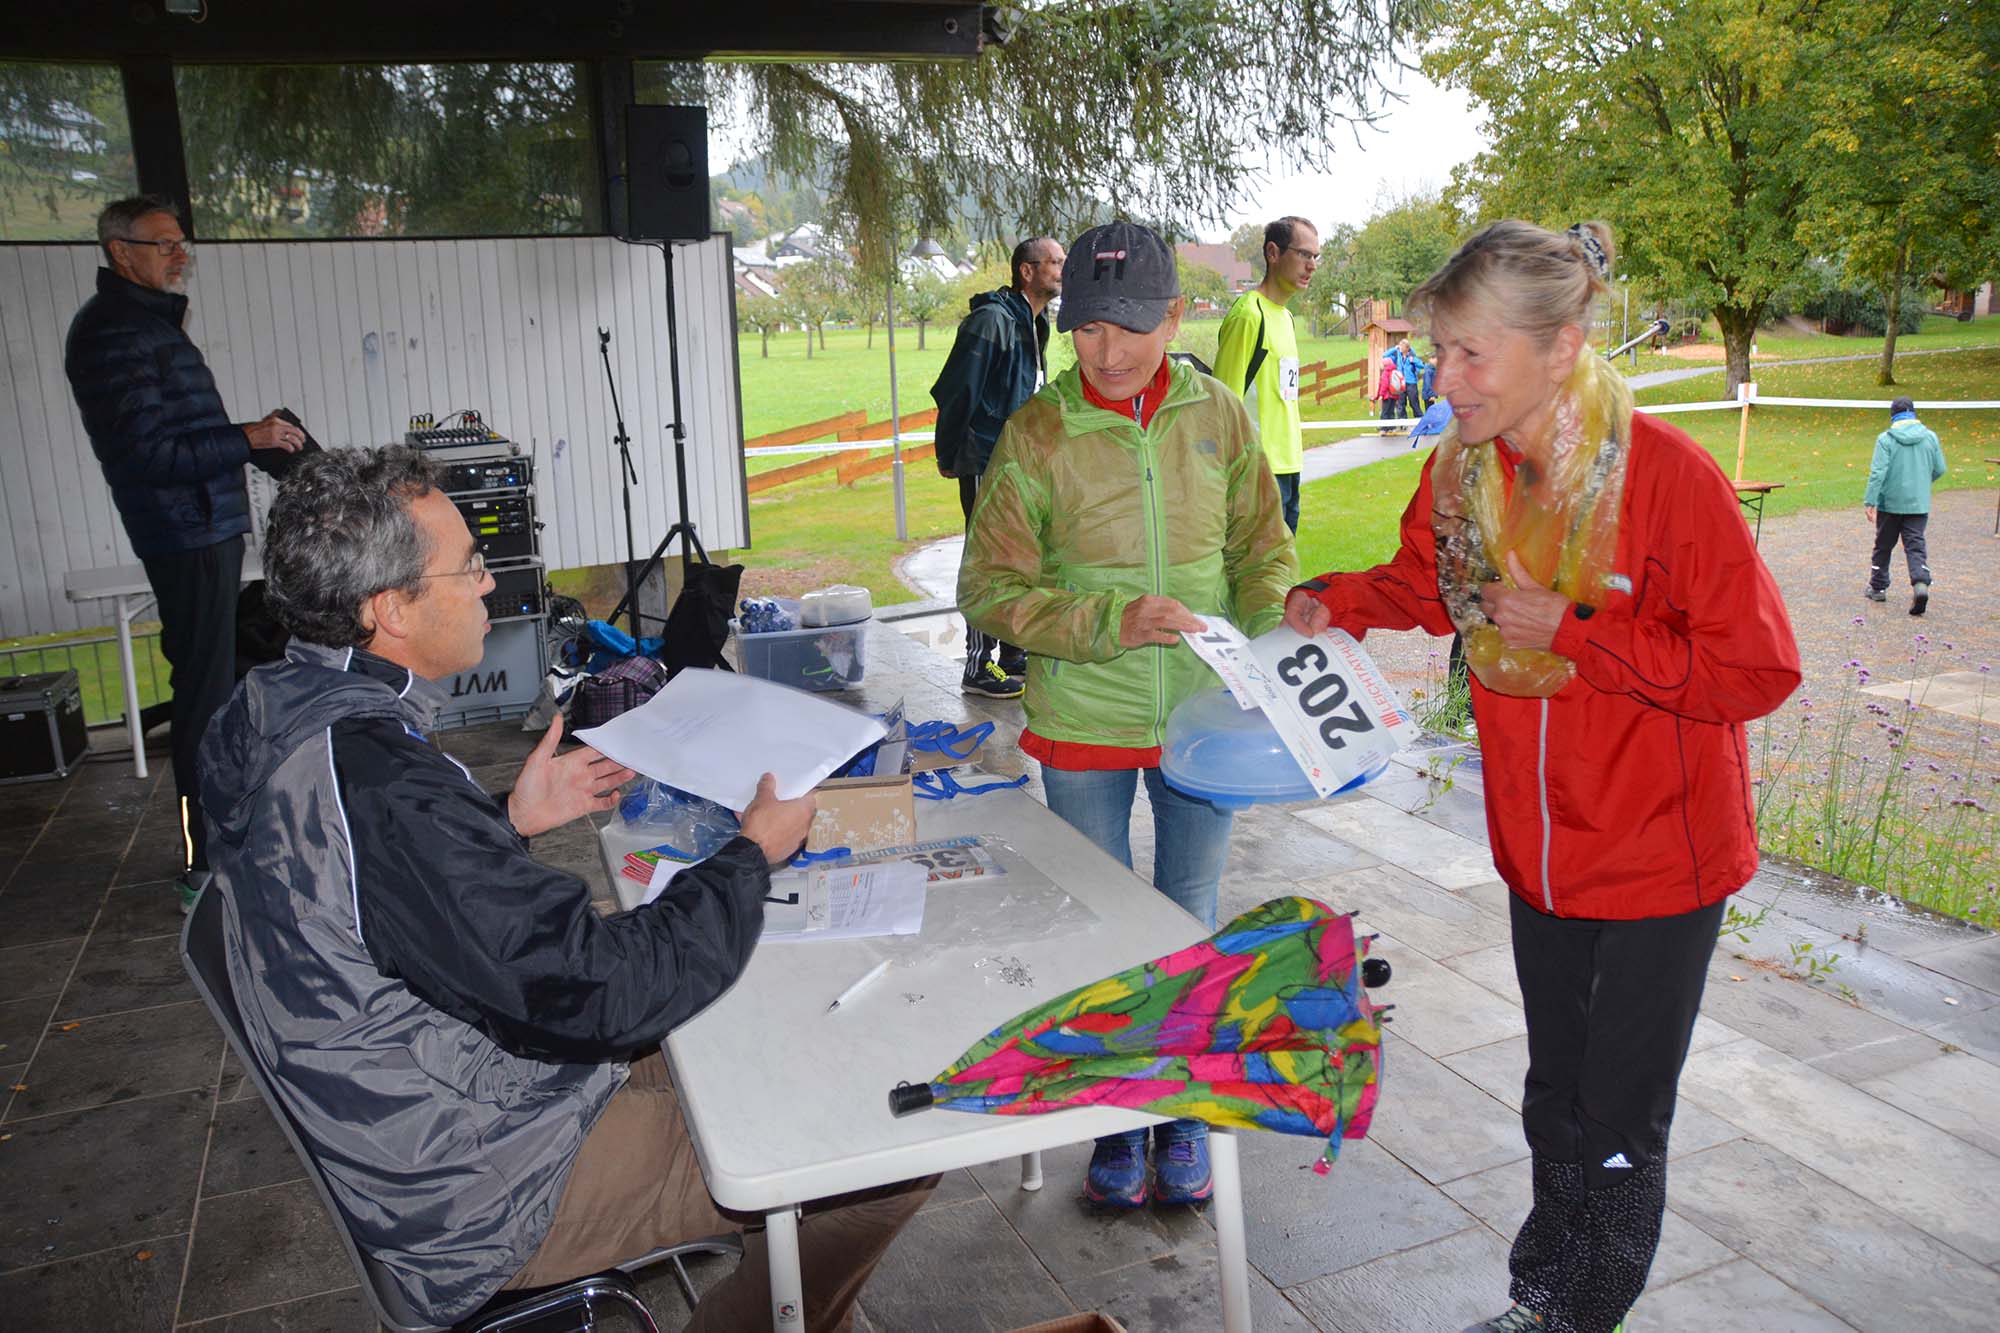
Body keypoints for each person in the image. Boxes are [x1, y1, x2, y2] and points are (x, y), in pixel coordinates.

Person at [198, 446, 933, 1331]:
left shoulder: (279, 706)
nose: (487, 583)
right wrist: (750, 851)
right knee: (889, 1151)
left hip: (417, 1110)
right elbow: (601, 994)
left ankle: (791, 1291)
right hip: (477, 1189)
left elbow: (367, 898)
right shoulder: (383, 787)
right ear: (388, 608)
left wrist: (505, 822)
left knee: (748, 1034)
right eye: (467, 565)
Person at [1284, 220, 1799, 1333]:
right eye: (1438, 349)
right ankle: (1541, 1286)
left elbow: (1754, 669)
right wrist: (1339, 599)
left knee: (1614, 1115)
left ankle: (1577, 1310)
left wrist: (1579, 634)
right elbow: (1430, 587)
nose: (1443, 376)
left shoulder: (1667, 478)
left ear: (1559, 347)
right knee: (1550, 1096)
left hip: (1661, 857)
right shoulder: (1466, 472)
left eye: (1470, 353)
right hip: (1537, 850)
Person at [958, 220, 1297, 1210]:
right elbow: (988, 587)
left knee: (1186, 925)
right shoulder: (1038, 431)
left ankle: (1179, 1111)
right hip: (1081, 718)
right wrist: (1112, 619)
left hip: (1202, 721)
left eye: (1130, 328)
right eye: (1087, 328)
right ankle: (1116, 1119)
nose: (1106, 350)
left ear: (1175, 316)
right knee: (1101, 926)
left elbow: (1260, 551)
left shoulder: (1220, 416)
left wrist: (1272, 634)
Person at [65, 194, 305, 909]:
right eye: (164, 244)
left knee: (222, 685)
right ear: (120, 250)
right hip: (185, 531)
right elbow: (150, 454)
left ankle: (234, 830)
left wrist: (263, 439)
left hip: (205, 526)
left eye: (181, 244)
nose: (179, 255)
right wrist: (246, 439)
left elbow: (183, 434)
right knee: (202, 698)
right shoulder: (114, 332)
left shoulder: (147, 326)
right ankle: (205, 860)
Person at [930, 235, 1065, 698]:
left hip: (1021, 464)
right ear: (1027, 271)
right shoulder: (990, 321)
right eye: (1054, 262)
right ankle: (978, 666)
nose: (1062, 270)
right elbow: (956, 392)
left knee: (1024, 556)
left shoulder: (1035, 321)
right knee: (989, 561)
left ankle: (1012, 654)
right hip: (986, 458)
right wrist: (949, 455)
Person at [1213, 215, 1317, 532]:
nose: (1311, 265)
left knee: (1282, 575)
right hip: (1256, 474)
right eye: (1303, 254)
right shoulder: (1248, 315)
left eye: (1315, 257)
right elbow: (1222, 403)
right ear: (1273, 253)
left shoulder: (1285, 318)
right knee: (1257, 578)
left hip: (1289, 467)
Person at [1863, 395, 1946, 616]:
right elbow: (1940, 468)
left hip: (1890, 502)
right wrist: (1921, 483)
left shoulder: (1885, 439)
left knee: (1883, 545)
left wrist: (1870, 500)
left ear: (1893, 416)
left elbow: (1878, 472)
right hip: (1918, 503)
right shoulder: (1930, 437)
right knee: (1915, 545)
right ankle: (1920, 582)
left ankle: (1878, 586)